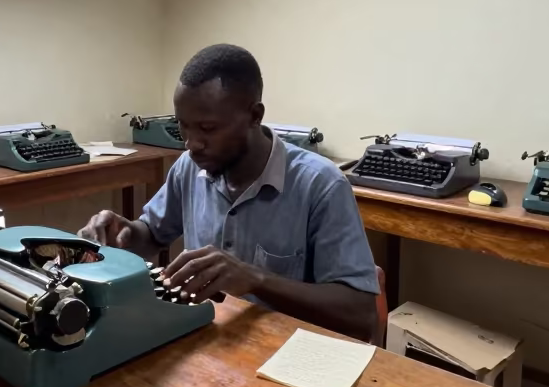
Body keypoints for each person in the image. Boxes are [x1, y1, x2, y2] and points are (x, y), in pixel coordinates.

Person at [80, 44, 378, 341]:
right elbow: (154, 235)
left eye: (208, 128)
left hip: (287, 355)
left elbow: (360, 315)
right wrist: (127, 234)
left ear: (254, 116)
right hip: (208, 342)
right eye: (182, 127)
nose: (191, 144)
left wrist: (255, 279)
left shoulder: (321, 184)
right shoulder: (189, 166)